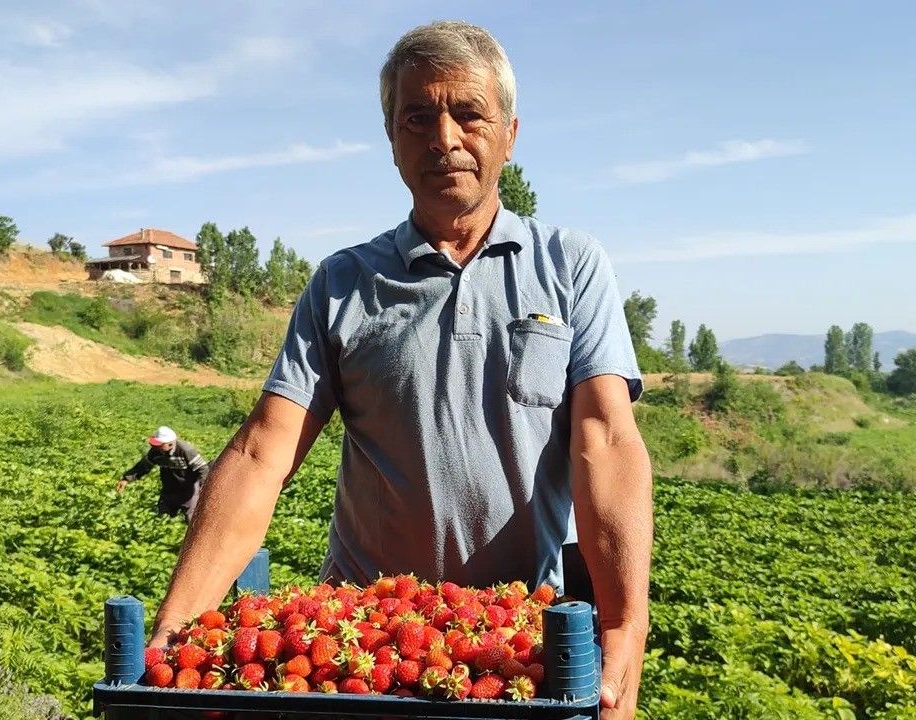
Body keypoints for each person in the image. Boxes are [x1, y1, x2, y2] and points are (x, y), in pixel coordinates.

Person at [150, 21, 653, 718]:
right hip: (369, 641)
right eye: (417, 117)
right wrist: (177, 622)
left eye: (468, 113)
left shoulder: (568, 267)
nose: (443, 137)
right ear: (392, 141)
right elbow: (264, 450)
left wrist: (627, 622)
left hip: (512, 642)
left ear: (509, 133)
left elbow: (607, 439)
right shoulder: (344, 283)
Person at [118, 426, 211, 519]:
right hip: (169, 488)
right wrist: (126, 479)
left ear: (170, 444)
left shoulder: (185, 451)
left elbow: (203, 469)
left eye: (159, 445)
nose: (155, 447)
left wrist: (204, 488)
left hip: (188, 489)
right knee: (162, 516)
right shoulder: (156, 451)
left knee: (191, 518)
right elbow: (144, 465)